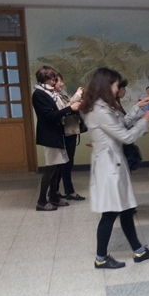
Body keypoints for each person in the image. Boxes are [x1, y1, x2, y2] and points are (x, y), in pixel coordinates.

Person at [80, 67, 149, 269]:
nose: (118, 89)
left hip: (113, 162)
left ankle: (139, 250)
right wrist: (144, 121)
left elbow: (121, 123)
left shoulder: (103, 106)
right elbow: (126, 136)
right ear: (107, 85)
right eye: (116, 85)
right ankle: (101, 258)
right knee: (110, 213)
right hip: (109, 167)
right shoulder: (99, 111)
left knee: (126, 209)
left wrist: (138, 108)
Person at [32, 66, 79, 211]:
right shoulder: (39, 94)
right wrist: (70, 109)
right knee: (50, 169)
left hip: (57, 134)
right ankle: (41, 201)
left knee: (57, 167)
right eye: (52, 79)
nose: (55, 81)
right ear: (45, 79)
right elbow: (49, 116)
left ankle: (53, 197)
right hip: (50, 135)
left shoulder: (51, 94)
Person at [54, 73, 85, 201]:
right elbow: (64, 110)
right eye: (59, 81)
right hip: (64, 133)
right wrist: (77, 96)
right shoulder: (53, 97)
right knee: (65, 163)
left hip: (70, 131)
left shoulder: (61, 95)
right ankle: (68, 191)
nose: (62, 84)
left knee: (66, 163)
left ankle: (58, 190)